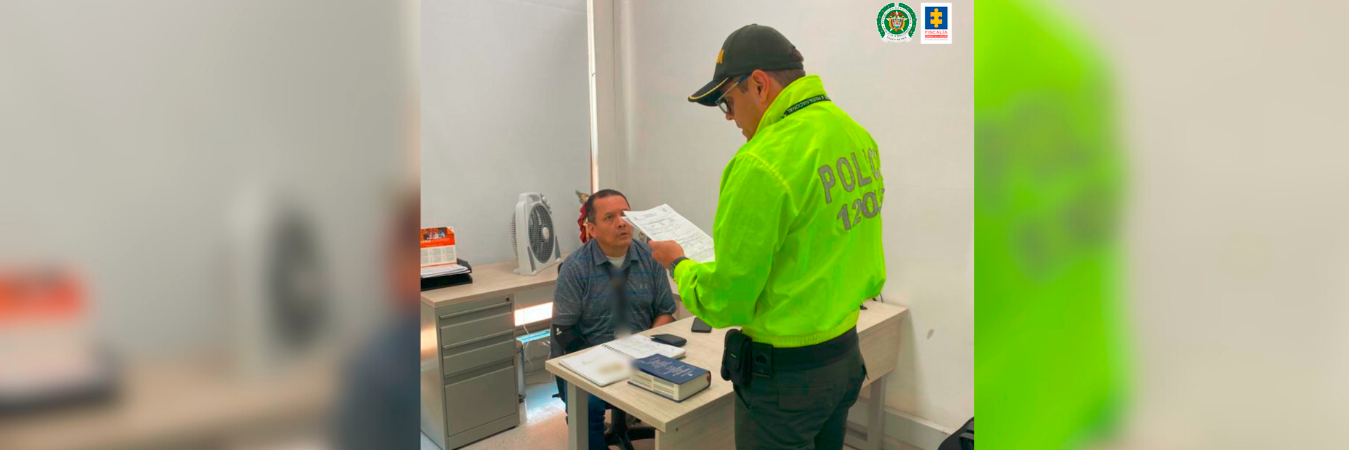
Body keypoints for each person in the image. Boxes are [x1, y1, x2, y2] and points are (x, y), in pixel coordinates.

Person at [649, 24, 887, 450]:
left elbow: (726, 301)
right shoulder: (852, 133)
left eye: (728, 101)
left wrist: (679, 265)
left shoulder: (762, 161)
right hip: (844, 356)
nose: (729, 117)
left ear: (758, 85)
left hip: (786, 380)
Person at [551, 188, 677, 450]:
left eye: (625, 215)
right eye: (609, 217)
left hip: (642, 355)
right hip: (589, 359)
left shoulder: (650, 260)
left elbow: (666, 311)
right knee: (588, 405)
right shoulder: (575, 268)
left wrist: (647, 350)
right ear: (592, 229)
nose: (621, 222)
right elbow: (563, 330)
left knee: (687, 385)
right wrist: (596, 364)